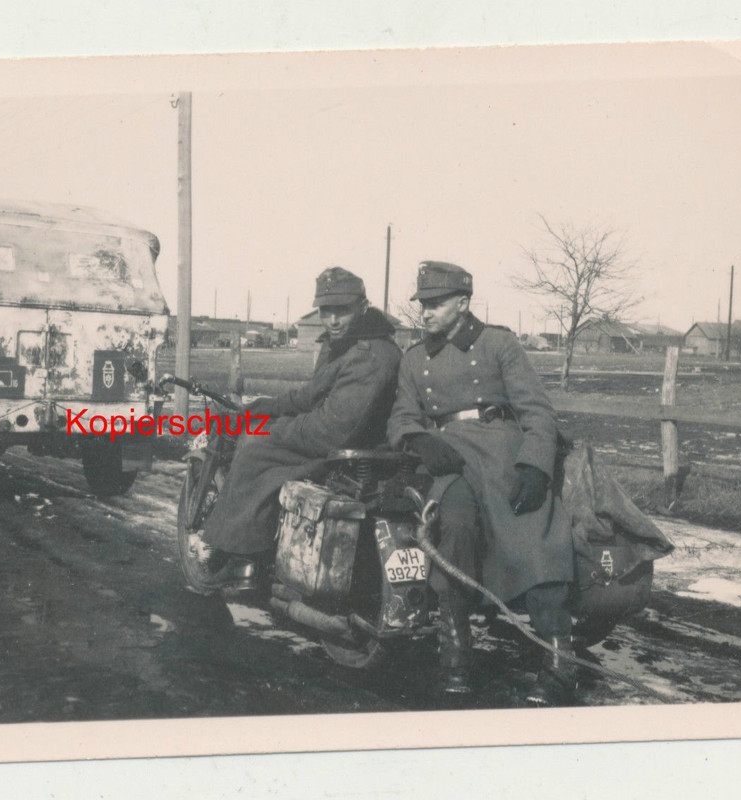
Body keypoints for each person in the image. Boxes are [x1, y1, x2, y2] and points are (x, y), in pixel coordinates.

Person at [387, 261, 576, 704]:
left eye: (436, 303)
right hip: (450, 456)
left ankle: (560, 662)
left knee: (536, 536)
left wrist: (534, 465)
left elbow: (537, 411)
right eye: (423, 304)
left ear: (463, 303)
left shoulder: (499, 344)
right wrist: (417, 439)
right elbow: (402, 413)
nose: (426, 312)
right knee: (453, 527)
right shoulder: (415, 358)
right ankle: (456, 655)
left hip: (504, 452)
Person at [197, 267, 402, 589]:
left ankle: (244, 560)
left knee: (255, 450)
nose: (333, 320)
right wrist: (265, 408)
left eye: (342, 311)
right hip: (338, 441)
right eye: (326, 311)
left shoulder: (370, 354)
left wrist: (274, 427)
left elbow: (334, 429)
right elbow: (309, 396)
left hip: (353, 453)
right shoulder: (344, 344)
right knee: (258, 434)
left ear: (363, 307)